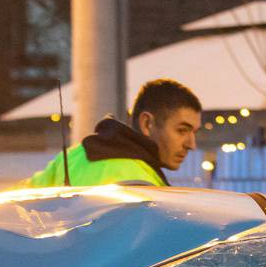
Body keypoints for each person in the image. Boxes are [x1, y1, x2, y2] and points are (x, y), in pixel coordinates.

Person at [28, 78, 201, 187]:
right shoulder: (143, 188)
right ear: (147, 123)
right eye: (182, 130)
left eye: (194, 132)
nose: (191, 144)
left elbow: (15, 202)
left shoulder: (72, 157)